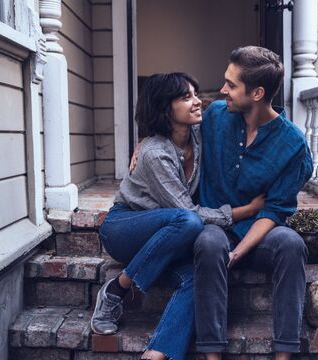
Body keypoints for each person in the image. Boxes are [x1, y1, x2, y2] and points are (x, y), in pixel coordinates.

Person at [90, 72, 265, 360]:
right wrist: (246, 210)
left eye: (195, 94)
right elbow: (187, 212)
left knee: (198, 274)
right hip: (126, 227)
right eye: (186, 97)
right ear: (164, 107)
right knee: (189, 221)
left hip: (169, 235)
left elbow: (248, 110)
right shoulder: (155, 154)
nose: (197, 102)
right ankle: (118, 288)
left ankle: (158, 352)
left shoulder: (198, 133)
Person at [193, 46, 314, 360]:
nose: (223, 91)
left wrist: (238, 251)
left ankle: (285, 354)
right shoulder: (216, 115)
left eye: (231, 86)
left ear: (258, 92)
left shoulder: (292, 143)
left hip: (259, 231)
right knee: (207, 244)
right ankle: (212, 355)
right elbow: (173, 129)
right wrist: (143, 143)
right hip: (215, 224)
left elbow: (274, 210)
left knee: (291, 244)